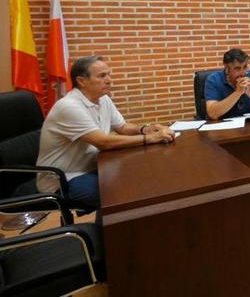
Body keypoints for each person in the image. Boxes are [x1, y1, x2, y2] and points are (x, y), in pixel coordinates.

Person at [37, 56, 175, 209]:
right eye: (102, 76)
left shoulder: (103, 99)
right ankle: (110, 231)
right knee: (120, 193)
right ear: (81, 81)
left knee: (139, 177)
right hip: (64, 179)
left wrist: (144, 129)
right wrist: (151, 138)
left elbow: (122, 127)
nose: (109, 80)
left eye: (109, 74)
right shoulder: (69, 106)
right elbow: (104, 142)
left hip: (94, 167)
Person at [205, 48, 250, 119]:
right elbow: (212, 114)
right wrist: (238, 92)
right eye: (237, 68)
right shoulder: (213, 79)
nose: (243, 72)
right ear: (226, 67)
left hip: (247, 123)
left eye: (245, 67)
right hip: (222, 125)